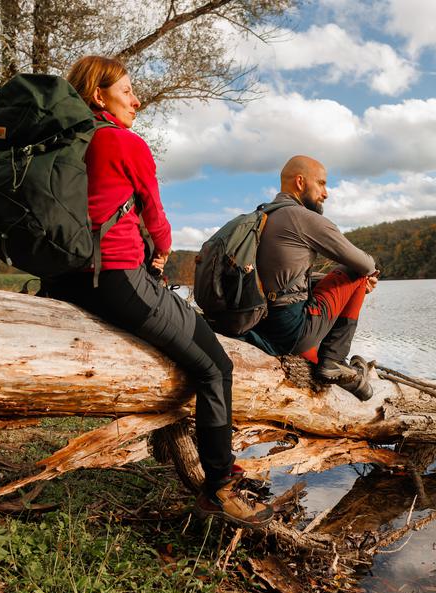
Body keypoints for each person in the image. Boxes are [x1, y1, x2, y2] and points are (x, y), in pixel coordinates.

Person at [47, 55, 273, 528]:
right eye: (127, 91)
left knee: (190, 352)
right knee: (217, 367)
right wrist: (161, 255)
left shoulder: (59, 143)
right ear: (97, 96)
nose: (137, 100)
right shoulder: (120, 140)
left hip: (65, 278)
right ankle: (218, 487)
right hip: (116, 275)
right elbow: (157, 218)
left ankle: (179, 450)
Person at [243, 155, 379, 400]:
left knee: (336, 280)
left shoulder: (263, 215)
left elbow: (287, 278)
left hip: (261, 323)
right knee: (354, 273)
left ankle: (333, 361)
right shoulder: (302, 218)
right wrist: (357, 282)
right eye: (322, 184)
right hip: (290, 330)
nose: (326, 193)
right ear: (300, 182)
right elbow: (366, 264)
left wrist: (344, 289)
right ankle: (334, 360)